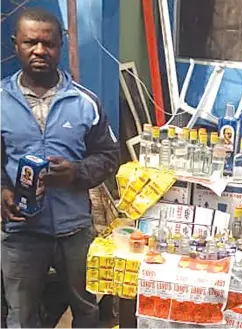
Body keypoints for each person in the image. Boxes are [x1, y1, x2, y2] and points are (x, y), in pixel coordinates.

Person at [1, 8, 120, 328]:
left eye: (48, 43)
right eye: (30, 42)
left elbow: (109, 155)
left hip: (75, 230)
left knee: (87, 311)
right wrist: (2, 190)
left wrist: (77, 173)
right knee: (20, 316)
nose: (39, 50)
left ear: (60, 45)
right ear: (16, 44)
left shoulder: (85, 101)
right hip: (21, 232)